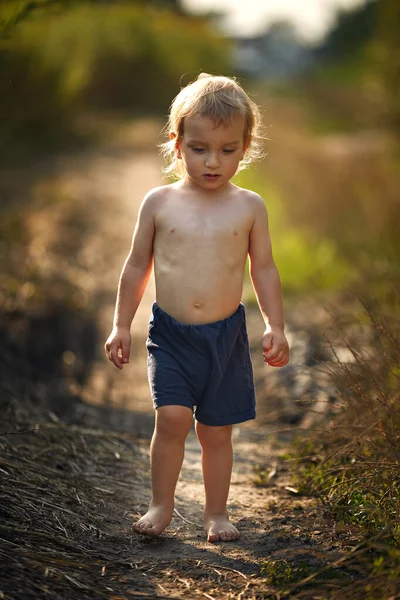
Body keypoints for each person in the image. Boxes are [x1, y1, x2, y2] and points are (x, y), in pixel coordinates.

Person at [105, 73, 289, 543]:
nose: (213, 161)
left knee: (215, 432)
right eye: (200, 148)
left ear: (245, 146)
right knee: (171, 419)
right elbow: (134, 267)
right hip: (170, 335)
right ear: (177, 142)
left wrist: (275, 325)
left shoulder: (249, 207)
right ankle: (161, 505)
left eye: (227, 150)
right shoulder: (159, 202)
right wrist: (121, 325)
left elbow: (263, 270)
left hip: (225, 337)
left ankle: (216, 513)